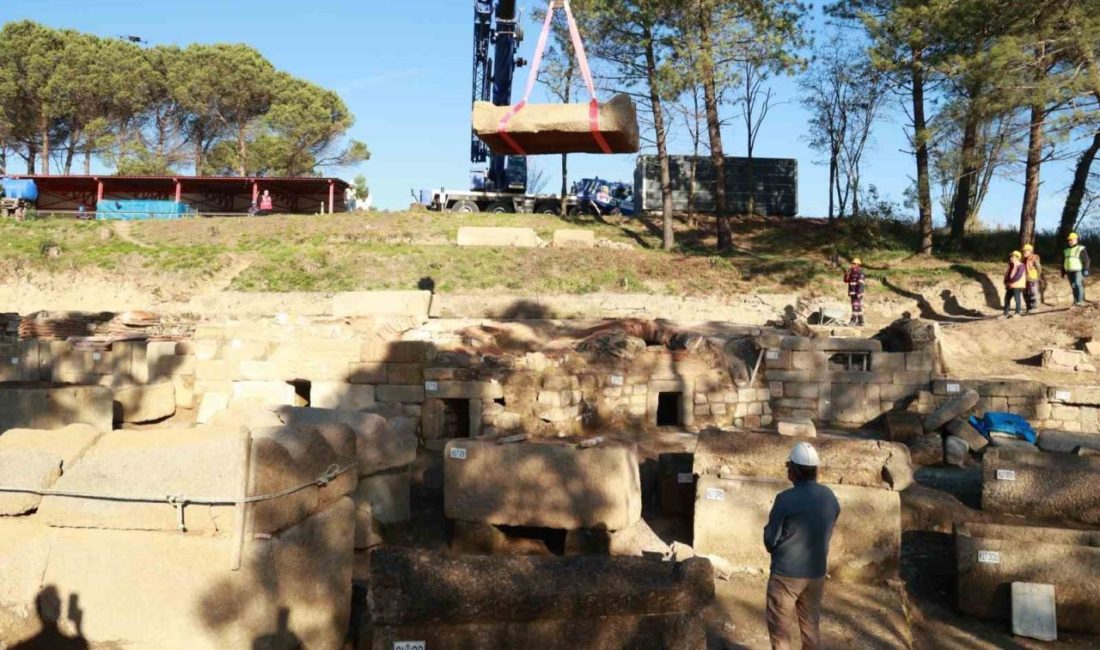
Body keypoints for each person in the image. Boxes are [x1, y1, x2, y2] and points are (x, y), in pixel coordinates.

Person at [764, 442, 841, 650]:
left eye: (789, 466)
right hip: (816, 574)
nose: (787, 470)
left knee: (780, 634)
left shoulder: (785, 500)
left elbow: (770, 540)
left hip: (786, 576)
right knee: (811, 629)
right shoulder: (829, 496)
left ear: (795, 471)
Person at [1062, 232, 1091, 307]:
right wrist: (1063, 271)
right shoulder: (1066, 250)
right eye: (1069, 240)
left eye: (1072, 240)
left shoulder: (1080, 248)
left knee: (1078, 283)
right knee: (1073, 285)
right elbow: (1063, 261)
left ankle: (1080, 301)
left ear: (1076, 240)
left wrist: (1086, 269)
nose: (1070, 242)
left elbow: (1086, 260)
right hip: (1069, 271)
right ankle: (1076, 302)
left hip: (1078, 270)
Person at [1003, 251, 1026, 318]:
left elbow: (1018, 276)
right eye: (1011, 256)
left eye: (1013, 257)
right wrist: (1005, 281)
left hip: (1017, 285)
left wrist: (1010, 281)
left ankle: (1018, 313)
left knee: (1017, 299)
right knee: (1006, 299)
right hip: (1010, 285)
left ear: (1017, 258)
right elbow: (1007, 274)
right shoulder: (1010, 265)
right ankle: (1005, 313)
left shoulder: (1021, 265)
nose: (1011, 258)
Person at [844, 258, 865, 326]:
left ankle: (853, 321)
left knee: (855, 307)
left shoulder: (860, 273)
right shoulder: (852, 272)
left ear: (857, 265)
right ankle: (861, 322)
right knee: (858, 307)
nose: (852, 265)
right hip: (852, 293)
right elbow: (846, 281)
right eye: (852, 263)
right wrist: (847, 274)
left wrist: (859, 293)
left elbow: (861, 284)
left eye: (853, 263)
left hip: (857, 293)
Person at [1021, 244, 1042, 313]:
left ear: (1030, 251)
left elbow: (1039, 269)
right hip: (1025, 279)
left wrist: (1037, 277)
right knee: (1026, 293)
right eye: (1023, 251)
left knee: (1033, 292)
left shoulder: (1035, 258)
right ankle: (1029, 308)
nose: (1024, 252)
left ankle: (1035, 307)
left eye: (1025, 251)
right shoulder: (1024, 259)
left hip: (1032, 279)